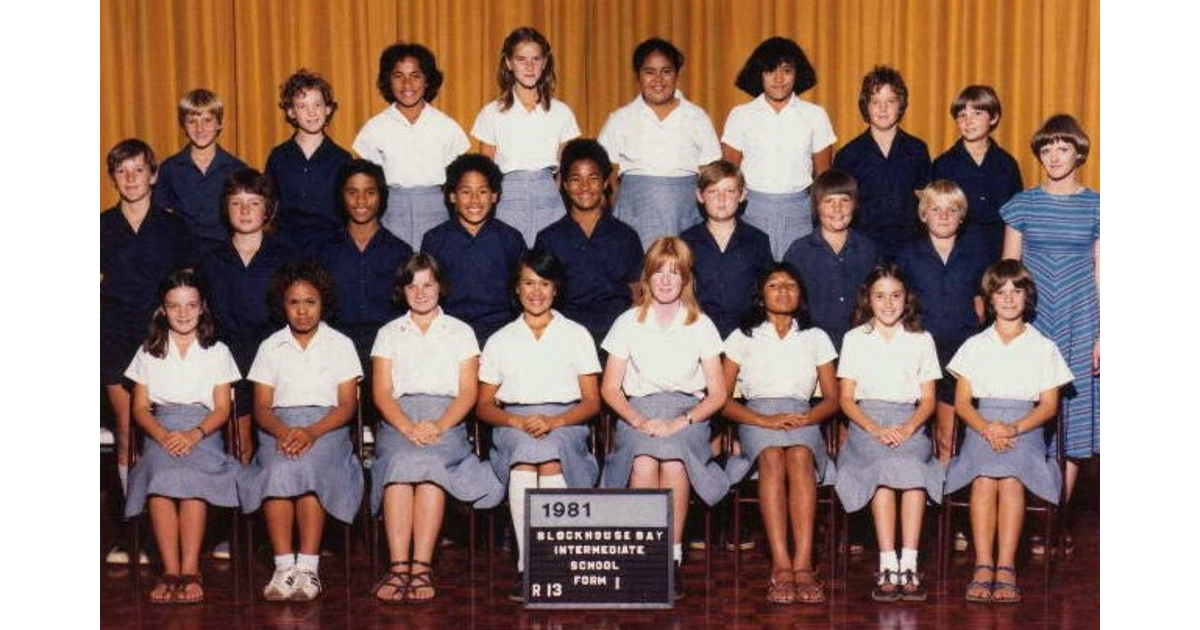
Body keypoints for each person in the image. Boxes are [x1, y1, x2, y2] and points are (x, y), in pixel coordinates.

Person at [600, 236, 730, 600]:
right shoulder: (628, 321)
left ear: (686, 278)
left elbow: (718, 393)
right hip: (638, 412)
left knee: (673, 461)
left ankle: (670, 558)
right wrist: (640, 422)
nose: (667, 280)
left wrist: (681, 422)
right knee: (643, 460)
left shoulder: (700, 323)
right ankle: (646, 557)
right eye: (659, 272)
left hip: (686, 414)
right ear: (647, 277)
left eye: (675, 272)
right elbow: (610, 389)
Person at [369, 253, 503, 604]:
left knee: (431, 467)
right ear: (402, 291)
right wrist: (407, 426)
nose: (421, 292)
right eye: (412, 285)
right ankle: (399, 567)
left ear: (440, 287)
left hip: (448, 420)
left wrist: (439, 426)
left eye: (428, 284)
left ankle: (422, 566)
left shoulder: (461, 332)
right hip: (400, 418)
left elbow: (469, 392)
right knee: (399, 465)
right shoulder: (388, 333)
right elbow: (381, 392)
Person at [944, 260, 1074, 604]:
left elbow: (1048, 406)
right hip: (981, 427)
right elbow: (962, 403)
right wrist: (988, 428)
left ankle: (1006, 566)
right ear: (989, 299)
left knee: (1012, 477)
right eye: (1000, 292)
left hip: (1025, 429)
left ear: (1027, 297)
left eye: (1017, 291)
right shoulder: (975, 345)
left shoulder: (1043, 346)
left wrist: (1013, 428)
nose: (1009, 299)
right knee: (985, 477)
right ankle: (983, 564)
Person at [476, 249, 602, 601]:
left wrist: (556, 420)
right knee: (526, 453)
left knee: (547, 452)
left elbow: (592, 401)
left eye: (544, 284)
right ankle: (529, 563)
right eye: (528, 283)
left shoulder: (576, 334)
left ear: (556, 288)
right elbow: (484, 405)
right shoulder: (501, 339)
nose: (536, 292)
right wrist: (515, 419)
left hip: (566, 422)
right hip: (513, 424)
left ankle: (552, 559)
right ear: (516, 289)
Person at [1000, 114, 1099, 550]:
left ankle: (1052, 521)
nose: (1054, 156)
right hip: (1033, 321)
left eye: (1063, 148)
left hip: (1081, 319)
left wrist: (1107, 334)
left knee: (1072, 424)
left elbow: (1104, 272)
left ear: (1078, 153)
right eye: (1046, 149)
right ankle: (1026, 518)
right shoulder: (1022, 203)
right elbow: (1008, 273)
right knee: (1029, 414)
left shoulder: (1099, 205)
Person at [238, 262, 364, 602]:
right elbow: (262, 407)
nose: (303, 310)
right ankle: (283, 568)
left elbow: (346, 406)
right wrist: (283, 432)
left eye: (310, 302)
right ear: (283, 305)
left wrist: (310, 432)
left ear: (323, 304)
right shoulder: (271, 346)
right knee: (278, 469)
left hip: (326, 428)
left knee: (310, 468)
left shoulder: (340, 344)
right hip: (278, 426)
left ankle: (308, 568)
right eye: (294, 303)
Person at [722, 263, 840, 605]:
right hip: (756, 416)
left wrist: (805, 419)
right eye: (774, 285)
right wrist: (764, 421)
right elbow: (723, 400)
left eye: (790, 284)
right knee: (772, 457)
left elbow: (832, 399)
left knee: (800, 455)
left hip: (804, 414)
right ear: (761, 294)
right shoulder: (743, 336)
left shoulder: (815, 336)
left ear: (800, 293)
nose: (783, 290)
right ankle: (781, 565)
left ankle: (804, 565)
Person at [123, 270, 241, 604]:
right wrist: (163, 435)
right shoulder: (149, 352)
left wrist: (194, 433)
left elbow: (221, 409)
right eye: (174, 306)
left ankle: (191, 569)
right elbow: (141, 408)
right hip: (160, 430)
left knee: (191, 476)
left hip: (204, 431)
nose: (183, 313)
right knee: (160, 476)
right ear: (162, 309)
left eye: (191, 305)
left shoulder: (217, 352)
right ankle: (169, 570)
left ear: (203, 307)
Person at [101, 139, 192, 565]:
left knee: (166, 428)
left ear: (154, 175)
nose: (132, 179)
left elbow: (187, 289)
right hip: (117, 337)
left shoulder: (174, 227)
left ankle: (170, 533)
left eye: (139, 170)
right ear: (113, 178)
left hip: (162, 338)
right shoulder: (100, 227)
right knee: (127, 431)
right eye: (123, 172)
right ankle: (132, 529)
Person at [834, 262, 943, 602]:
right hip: (867, 423)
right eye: (880, 296)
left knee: (912, 471)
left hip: (908, 423)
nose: (888, 303)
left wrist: (908, 428)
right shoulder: (855, 338)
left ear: (906, 298)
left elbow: (927, 400)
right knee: (881, 467)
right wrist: (875, 429)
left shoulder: (922, 339)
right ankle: (887, 562)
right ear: (868, 299)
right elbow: (846, 399)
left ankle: (909, 562)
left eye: (895, 295)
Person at [200, 169, 298, 468]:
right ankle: (240, 511)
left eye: (253, 203)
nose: (244, 211)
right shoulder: (210, 259)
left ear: (267, 209)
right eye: (236, 203)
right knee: (237, 447)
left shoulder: (286, 257)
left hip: (277, 361)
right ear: (225, 208)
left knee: (276, 450)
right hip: (228, 361)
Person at [894, 181, 989, 465]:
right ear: (924, 214)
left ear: (962, 216)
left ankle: (943, 496)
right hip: (919, 354)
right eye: (936, 209)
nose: (944, 216)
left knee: (948, 435)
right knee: (916, 434)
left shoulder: (976, 255)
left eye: (952, 209)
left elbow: (981, 304)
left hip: (958, 354)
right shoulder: (908, 256)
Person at [598, 37, 721, 248]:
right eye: (649, 72)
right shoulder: (620, 119)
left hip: (685, 213)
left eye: (666, 71)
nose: (658, 80)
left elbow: (710, 173)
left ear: (677, 74)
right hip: (635, 212)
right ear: (638, 75)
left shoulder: (696, 117)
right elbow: (606, 172)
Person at [721, 37, 836, 260]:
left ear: (797, 74)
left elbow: (824, 176)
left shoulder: (815, 115)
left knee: (797, 278)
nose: (778, 79)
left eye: (786, 70)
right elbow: (728, 175)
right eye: (770, 71)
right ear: (759, 74)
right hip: (752, 210)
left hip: (799, 212)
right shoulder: (741, 115)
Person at [472, 26, 581, 245]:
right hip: (507, 200)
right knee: (512, 265)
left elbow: (566, 169)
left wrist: (550, 192)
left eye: (536, 59)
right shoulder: (491, 112)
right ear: (509, 63)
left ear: (545, 62)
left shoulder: (561, 112)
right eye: (521, 59)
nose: (530, 67)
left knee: (550, 264)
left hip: (549, 198)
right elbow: (487, 170)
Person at [354, 42, 469, 248]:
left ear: (427, 81)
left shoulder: (446, 127)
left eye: (415, 76)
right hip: (391, 212)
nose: (407, 84)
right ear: (388, 81)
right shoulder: (375, 128)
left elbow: (459, 183)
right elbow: (366, 184)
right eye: (398, 76)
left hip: (436, 210)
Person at [534, 138, 643, 345]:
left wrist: (624, 337)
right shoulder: (548, 238)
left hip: (616, 338)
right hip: (565, 339)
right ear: (564, 185)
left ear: (604, 182)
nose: (584, 186)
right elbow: (540, 297)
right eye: (576, 179)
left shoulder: (626, 236)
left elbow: (638, 292)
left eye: (592, 178)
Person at [420, 153, 527, 344]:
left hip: (501, 331)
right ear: (452, 196)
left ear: (495, 196)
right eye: (465, 192)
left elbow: (522, 293)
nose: (475, 200)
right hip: (449, 333)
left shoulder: (510, 239)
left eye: (483, 191)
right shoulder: (434, 240)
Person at [318, 160, 414, 367]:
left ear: (382, 196)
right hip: (335, 348)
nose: (361, 200)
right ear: (341, 196)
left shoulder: (400, 251)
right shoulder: (324, 251)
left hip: (388, 350)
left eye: (370, 192)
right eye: (352, 192)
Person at [832, 66, 931, 260]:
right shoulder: (848, 155)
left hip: (909, 246)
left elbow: (925, 200)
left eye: (890, 101)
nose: (883, 109)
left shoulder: (917, 149)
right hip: (863, 246)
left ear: (900, 105)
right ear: (865, 106)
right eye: (875, 102)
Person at [782, 169, 881, 351]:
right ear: (816, 206)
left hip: (861, 345)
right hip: (812, 347)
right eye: (829, 201)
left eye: (844, 200)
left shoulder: (869, 250)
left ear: (855, 205)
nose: (837, 209)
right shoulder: (799, 251)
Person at [681, 159, 773, 339]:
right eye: (712, 191)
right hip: (698, 331)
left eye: (729, 191)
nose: (721, 199)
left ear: (742, 194)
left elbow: (766, 291)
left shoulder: (758, 240)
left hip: (748, 333)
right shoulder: (686, 241)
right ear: (700, 196)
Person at [265, 69, 352, 256]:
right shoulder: (278, 157)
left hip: (330, 248)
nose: (311, 113)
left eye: (317, 105)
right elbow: (268, 205)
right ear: (291, 112)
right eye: (303, 106)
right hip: (285, 247)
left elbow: (347, 213)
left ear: (328, 109)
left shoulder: (342, 159)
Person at [931, 85, 1023, 261]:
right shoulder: (943, 164)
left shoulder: (1007, 164)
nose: (968, 121)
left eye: (977, 114)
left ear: (994, 117)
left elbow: (1016, 220)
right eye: (962, 115)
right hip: (957, 257)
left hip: (999, 255)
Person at [153, 88, 249, 257]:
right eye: (192, 121)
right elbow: (162, 221)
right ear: (183, 124)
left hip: (226, 256)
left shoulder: (237, 169)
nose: (200, 128)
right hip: (182, 257)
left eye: (207, 120)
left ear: (220, 123)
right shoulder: (170, 168)